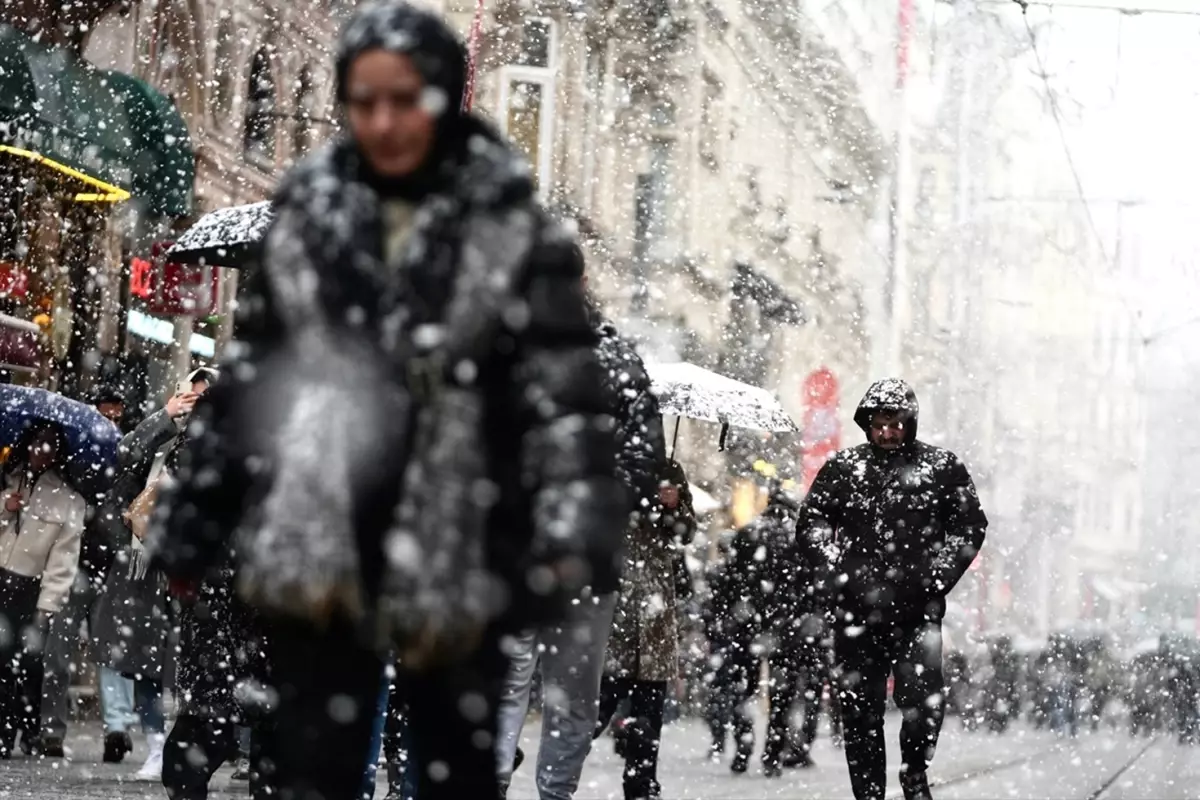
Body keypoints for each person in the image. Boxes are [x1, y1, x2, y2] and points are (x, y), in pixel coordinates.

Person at [148, 4, 625, 799]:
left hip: (459, 541)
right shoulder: (314, 219)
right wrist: (194, 518)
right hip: (326, 535)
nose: (383, 120)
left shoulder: (505, 226)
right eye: (364, 101)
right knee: (314, 763)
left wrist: (576, 529)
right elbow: (254, 384)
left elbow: (565, 401)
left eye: (402, 99)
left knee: (450, 765)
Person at [494, 285, 665, 800]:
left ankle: (518, 786)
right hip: (572, 556)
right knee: (563, 692)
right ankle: (547, 790)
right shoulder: (616, 365)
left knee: (514, 686)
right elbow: (642, 461)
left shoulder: (518, 356)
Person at [797, 378, 987, 800]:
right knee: (860, 713)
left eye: (895, 423)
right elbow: (811, 523)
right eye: (879, 424)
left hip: (917, 612)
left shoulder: (941, 468)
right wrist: (834, 569)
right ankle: (868, 794)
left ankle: (915, 770)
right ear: (867, 424)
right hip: (856, 614)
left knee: (922, 705)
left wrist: (937, 578)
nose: (886, 432)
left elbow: (970, 526)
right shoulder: (844, 468)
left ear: (910, 422)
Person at [93, 368, 215, 777]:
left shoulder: (222, 443)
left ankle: (202, 744)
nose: (197, 404)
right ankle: (156, 743)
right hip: (144, 562)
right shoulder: (164, 437)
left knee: (187, 664)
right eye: (192, 396)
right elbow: (124, 453)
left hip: (196, 569)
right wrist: (166, 415)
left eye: (205, 397)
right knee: (141, 658)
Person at [38, 385, 133, 758]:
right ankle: (52, 731)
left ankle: (117, 727)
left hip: (105, 567)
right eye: (105, 413)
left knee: (109, 655)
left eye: (115, 414)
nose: (111, 420)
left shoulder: (125, 454)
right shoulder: (72, 455)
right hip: (74, 565)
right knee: (58, 652)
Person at [594, 458, 695, 800]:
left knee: (649, 713)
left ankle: (641, 785)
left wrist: (674, 506)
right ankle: (561, 772)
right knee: (596, 707)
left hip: (655, 612)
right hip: (614, 607)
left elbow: (687, 530)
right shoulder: (608, 461)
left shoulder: (669, 469)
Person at [0, 422, 86, 758]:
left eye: (50, 444)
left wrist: (49, 602)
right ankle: (6, 732)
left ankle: (28, 729)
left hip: (28, 586)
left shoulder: (68, 499)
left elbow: (64, 557)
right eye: (37, 443)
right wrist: (6, 509)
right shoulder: (9, 480)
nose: (42, 451)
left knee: (27, 663)